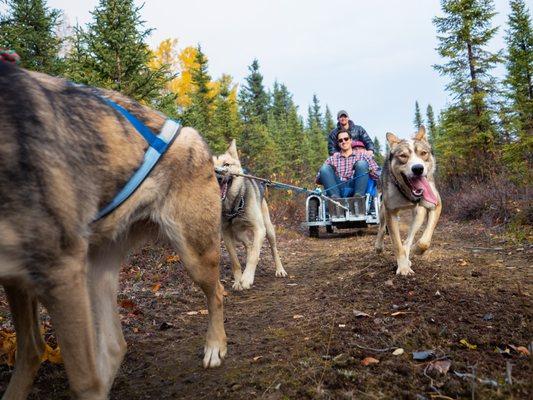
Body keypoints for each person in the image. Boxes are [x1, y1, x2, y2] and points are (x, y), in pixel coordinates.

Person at [317, 130, 380, 198]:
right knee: (325, 168)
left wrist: (371, 172)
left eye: (346, 139)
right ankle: (335, 201)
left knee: (361, 164)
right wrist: (329, 173)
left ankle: (358, 198)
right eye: (340, 140)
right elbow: (318, 179)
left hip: (357, 186)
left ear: (351, 140)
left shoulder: (363, 156)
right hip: (337, 188)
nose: (343, 142)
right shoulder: (331, 159)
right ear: (338, 143)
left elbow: (379, 173)